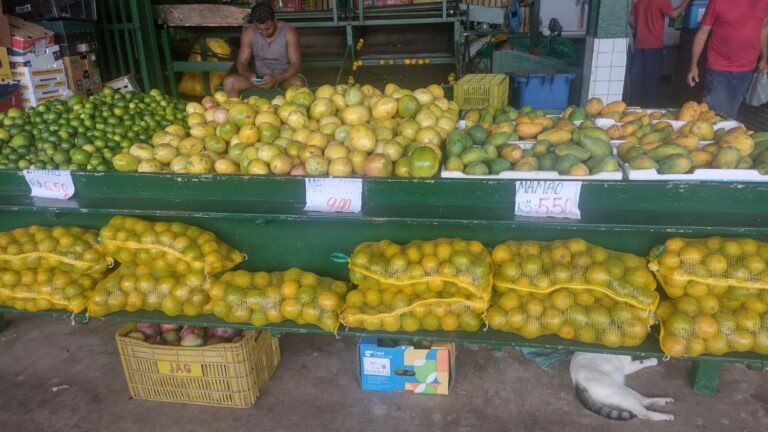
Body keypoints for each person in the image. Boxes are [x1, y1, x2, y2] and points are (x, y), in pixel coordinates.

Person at [687, 0, 768, 119]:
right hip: (719, 69)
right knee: (712, 116)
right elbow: (703, 33)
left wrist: (764, 58)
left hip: (746, 70)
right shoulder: (718, 2)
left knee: (731, 114)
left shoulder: (763, 2)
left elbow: (763, 30)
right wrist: (693, 65)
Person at [222, 3, 305, 96]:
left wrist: (276, 79)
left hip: (283, 79)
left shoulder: (289, 32)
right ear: (254, 23)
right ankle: (238, 108)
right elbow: (241, 62)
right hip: (260, 80)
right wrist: (249, 75)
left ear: (275, 20)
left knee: (297, 83)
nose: (264, 32)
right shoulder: (248, 33)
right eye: (259, 29)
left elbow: (296, 65)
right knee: (229, 82)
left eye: (268, 28)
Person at [628, 0, 690, 107]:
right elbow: (674, 14)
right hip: (654, 46)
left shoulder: (639, 1)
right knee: (651, 82)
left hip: (640, 45)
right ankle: (650, 110)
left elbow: (631, 20)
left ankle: (634, 109)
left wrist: (642, 29)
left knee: (637, 80)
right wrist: (685, 3)